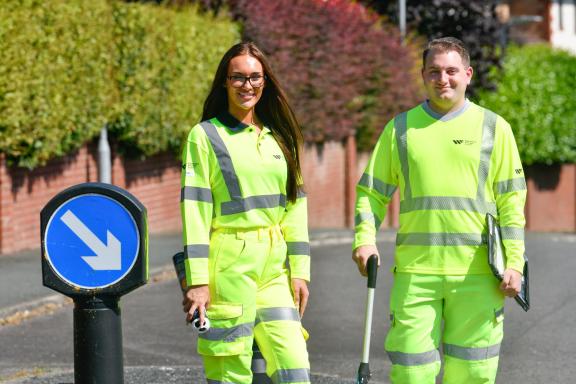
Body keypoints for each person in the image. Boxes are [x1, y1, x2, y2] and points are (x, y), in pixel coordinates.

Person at [352, 37, 526, 384]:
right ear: (423, 75)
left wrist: (515, 262)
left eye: (451, 71)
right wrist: (364, 239)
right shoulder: (400, 129)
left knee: (473, 372)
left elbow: (512, 203)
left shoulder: (495, 129)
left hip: (478, 275)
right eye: (434, 71)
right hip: (417, 273)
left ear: (468, 74)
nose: (443, 78)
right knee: (410, 371)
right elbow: (371, 193)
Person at [180, 41, 311, 384]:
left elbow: (295, 208)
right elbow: (194, 210)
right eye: (237, 78)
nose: (246, 85)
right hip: (229, 264)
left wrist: (300, 272)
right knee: (230, 370)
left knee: (294, 365)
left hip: (273, 268)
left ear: (266, 81)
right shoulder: (205, 136)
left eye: (255, 77)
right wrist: (197, 282)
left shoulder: (278, 138)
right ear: (224, 82)